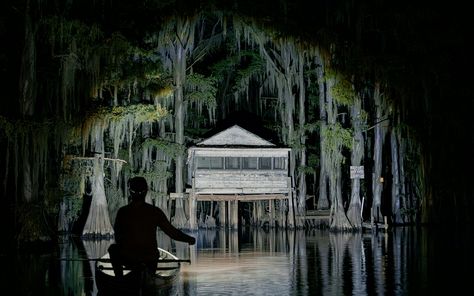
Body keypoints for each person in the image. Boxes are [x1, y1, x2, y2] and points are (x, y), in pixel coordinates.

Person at [108, 176, 195, 277]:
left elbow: (118, 237)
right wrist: (190, 239)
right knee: (150, 255)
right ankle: (147, 277)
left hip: (129, 259)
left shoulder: (123, 212)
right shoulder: (154, 212)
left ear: (130, 192)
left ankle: (119, 278)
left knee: (113, 249)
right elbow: (172, 233)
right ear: (146, 192)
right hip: (149, 258)